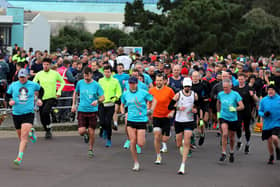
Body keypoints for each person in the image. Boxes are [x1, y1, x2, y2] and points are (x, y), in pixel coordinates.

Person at [6, 69, 42, 166]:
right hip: (16, 114)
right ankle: (31, 132)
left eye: (24, 77)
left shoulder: (33, 84)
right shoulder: (13, 85)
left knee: (23, 137)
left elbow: (41, 89)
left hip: (28, 113)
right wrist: (10, 101)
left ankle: (19, 157)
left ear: (27, 77)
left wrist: (39, 99)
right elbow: (7, 95)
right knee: (21, 138)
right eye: (20, 77)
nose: (22, 79)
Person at [121, 76, 156, 171]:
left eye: (133, 83)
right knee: (132, 141)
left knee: (140, 143)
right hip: (131, 120)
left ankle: (140, 140)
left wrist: (151, 110)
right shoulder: (126, 94)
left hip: (141, 119)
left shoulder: (143, 93)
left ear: (137, 83)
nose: (131, 85)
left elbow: (153, 100)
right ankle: (136, 162)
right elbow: (122, 103)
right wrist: (123, 112)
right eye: (130, 83)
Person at [72, 67, 104, 158]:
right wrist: (73, 105)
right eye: (84, 75)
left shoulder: (96, 85)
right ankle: (85, 134)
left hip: (92, 111)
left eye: (87, 75)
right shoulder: (80, 83)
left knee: (91, 131)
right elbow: (75, 93)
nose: (86, 77)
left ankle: (90, 149)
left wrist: (97, 101)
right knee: (81, 131)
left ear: (91, 74)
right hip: (82, 110)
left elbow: (102, 97)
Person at [168, 77, 198, 175]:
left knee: (187, 140)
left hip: (189, 120)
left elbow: (198, 105)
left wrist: (195, 110)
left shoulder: (194, 95)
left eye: (189, 86)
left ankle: (183, 165)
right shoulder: (178, 95)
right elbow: (169, 106)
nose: (187, 88)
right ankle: (183, 145)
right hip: (179, 121)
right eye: (185, 86)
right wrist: (177, 107)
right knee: (179, 143)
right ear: (183, 86)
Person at [33, 58, 65, 139]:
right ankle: (47, 129)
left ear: (50, 65)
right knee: (42, 116)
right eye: (44, 64)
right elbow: (33, 84)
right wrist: (34, 92)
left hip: (51, 97)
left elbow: (62, 82)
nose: (46, 66)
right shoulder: (39, 74)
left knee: (45, 112)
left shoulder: (55, 73)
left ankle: (48, 128)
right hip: (41, 98)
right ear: (42, 65)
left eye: (47, 64)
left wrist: (59, 91)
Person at [217, 79, 244, 163]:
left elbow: (242, 106)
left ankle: (231, 152)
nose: (225, 89)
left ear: (230, 86)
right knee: (225, 134)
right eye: (224, 87)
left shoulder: (235, 94)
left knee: (232, 137)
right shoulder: (220, 94)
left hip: (233, 118)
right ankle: (223, 153)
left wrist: (235, 108)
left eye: (226, 87)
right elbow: (218, 102)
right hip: (223, 116)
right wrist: (218, 113)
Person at [149, 74, 175, 164]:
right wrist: (149, 111)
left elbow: (174, 102)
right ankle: (158, 155)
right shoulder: (151, 91)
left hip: (166, 116)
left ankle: (166, 138)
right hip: (156, 116)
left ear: (164, 81)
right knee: (156, 135)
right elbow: (149, 102)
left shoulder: (169, 91)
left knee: (165, 138)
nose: (159, 82)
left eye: (160, 80)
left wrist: (172, 112)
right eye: (157, 80)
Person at [233, 73, 258, 154]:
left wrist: (253, 95)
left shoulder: (249, 88)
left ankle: (247, 143)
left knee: (247, 128)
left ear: (245, 80)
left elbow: (256, 100)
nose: (240, 80)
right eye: (239, 79)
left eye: (242, 79)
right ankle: (239, 140)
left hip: (247, 110)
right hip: (238, 110)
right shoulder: (235, 88)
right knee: (237, 126)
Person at [98, 66, 122, 147]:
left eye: (108, 72)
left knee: (108, 122)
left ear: (111, 72)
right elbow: (97, 90)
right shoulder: (100, 80)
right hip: (101, 103)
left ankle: (108, 139)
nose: (106, 73)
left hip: (110, 104)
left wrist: (115, 97)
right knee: (101, 121)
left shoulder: (115, 81)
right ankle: (103, 128)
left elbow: (119, 91)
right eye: (105, 72)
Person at [258, 84, 280, 164]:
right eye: (269, 90)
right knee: (269, 141)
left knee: (274, 137)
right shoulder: (263, 100)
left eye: (272, 90)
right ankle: (271, 156)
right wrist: (264, 114)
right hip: (267, 123)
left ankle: (277, 148)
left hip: (277, 122)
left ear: (275, 91)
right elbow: (259, 111)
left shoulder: (279, 99)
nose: (270, 91)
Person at [112, 63, 129, 130]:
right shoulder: (114, 76)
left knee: (124, 110)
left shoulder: (126, 76)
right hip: (117, 95)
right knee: (115, 109)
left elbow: (128, 85)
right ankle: (115, 123)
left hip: (124, 95)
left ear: (123, 68)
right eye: (118, 68)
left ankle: (126, 124)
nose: (119, 69)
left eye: (121, 68)